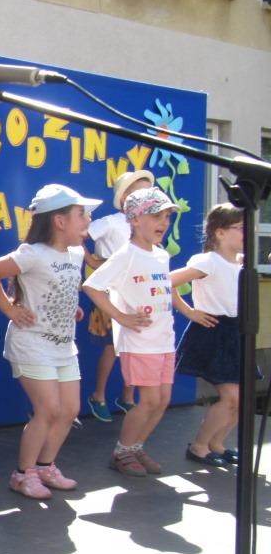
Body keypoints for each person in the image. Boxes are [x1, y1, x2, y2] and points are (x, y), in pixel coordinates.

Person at [0, 184, 99, 499]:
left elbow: (58, 289)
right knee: (48, 409)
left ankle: (45, 466)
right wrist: (10, 309)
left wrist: (69, 308)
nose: (87, 220)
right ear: (59, 221)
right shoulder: (32, 254)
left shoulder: (76, 254)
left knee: (69, 409)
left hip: (63, 346)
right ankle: (23, 474)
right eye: (81, 214)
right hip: (31, 344)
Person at [82, 186, 182, 477]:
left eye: (167, 216)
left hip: (163, 340)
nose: (163, 222)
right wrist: (121, 317)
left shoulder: (161, 255)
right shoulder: (125, 255)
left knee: (162, 400)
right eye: (156, 216)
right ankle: (122, 451)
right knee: (148, 401)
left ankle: (136, 447)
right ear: (135, 220)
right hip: (140, 342)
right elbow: (92, 286)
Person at [171, 203, 243, 467]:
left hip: (236, 331)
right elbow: (167, 281)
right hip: (214, 332)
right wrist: (190, 311)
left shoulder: (241, 263)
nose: (246, 233)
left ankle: (217, 443)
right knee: (231, 397)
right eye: (240, 228)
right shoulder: (208, 261)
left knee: (240, 399)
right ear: (220, 232)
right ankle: (199, 446)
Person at [84, 170, 154, 422]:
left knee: (136, 343)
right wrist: (91, 260)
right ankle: (98, 395)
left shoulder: (148, 225)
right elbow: (81, 233)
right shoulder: (112, 222)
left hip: (137, 290)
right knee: (113, 345)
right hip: (110, 291)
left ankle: (127, 397)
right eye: (139, 193)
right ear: (124, 198)